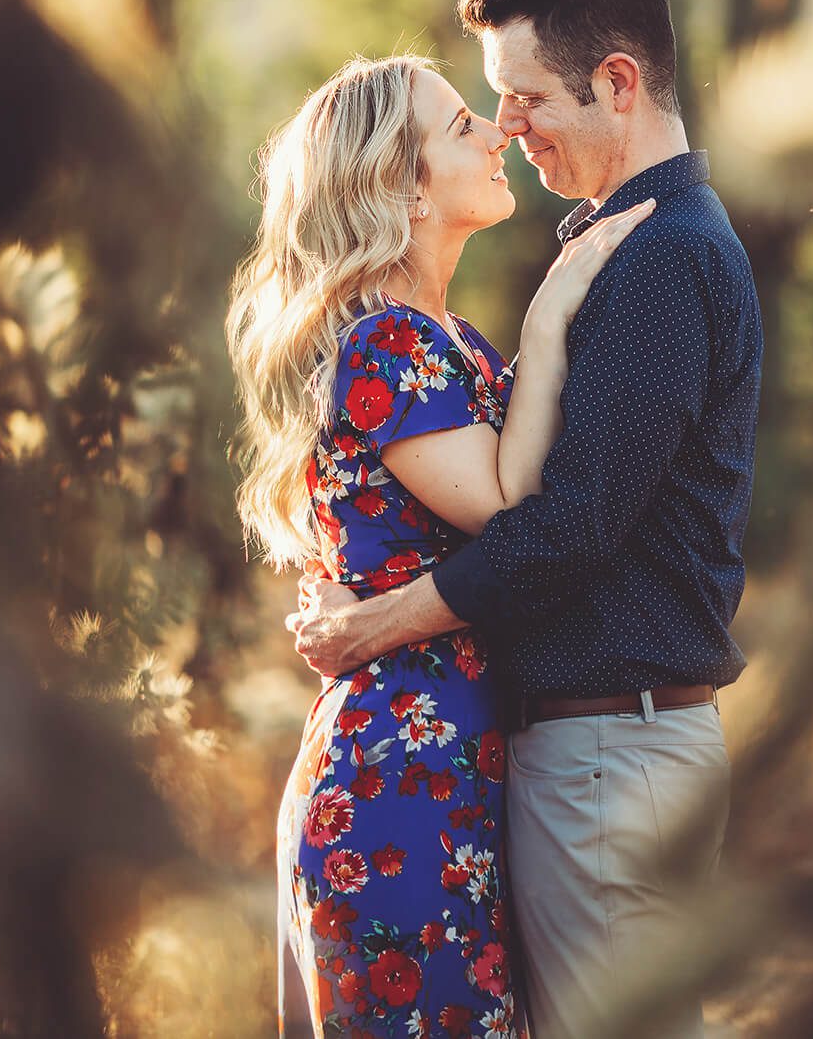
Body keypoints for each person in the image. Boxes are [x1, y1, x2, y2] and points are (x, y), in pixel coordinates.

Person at [288, 0, 763, 1038]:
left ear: (616, 83)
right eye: (485, 106)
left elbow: (564, 528)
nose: (507, 126)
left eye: (522, 96)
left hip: (608, 755)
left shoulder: (659, 258)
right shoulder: (631, 245)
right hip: (584, 755)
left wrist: (376, 624)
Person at [227, 53, 654, 1038]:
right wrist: (552, 309)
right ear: (400, 182)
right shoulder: (391, 343)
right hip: (400, 788)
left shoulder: (439, 338)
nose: (497, 130)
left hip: (444, 768)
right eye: (463, 124)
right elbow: (512, 504)